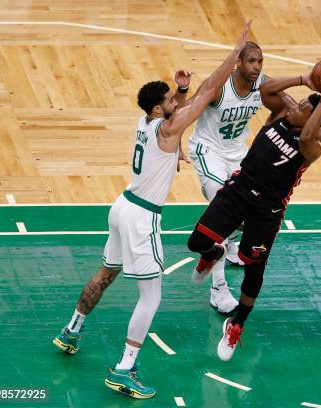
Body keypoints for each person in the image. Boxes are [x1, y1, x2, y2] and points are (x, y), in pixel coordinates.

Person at [52, 21, 252, 398]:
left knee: (105, 273)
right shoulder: (168, 127)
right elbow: (210, 89)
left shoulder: (144, 121)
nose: (177, 103)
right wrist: (235, 52)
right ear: (160, 108)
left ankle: (71, 330)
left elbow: (176, 114)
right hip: (143, 216)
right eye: (171, 100)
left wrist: (178, 90)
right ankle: (124, 368)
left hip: (121, 206)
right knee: (151, 297)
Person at [187, 42, 321, 316]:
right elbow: (188, 107)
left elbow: (301, 117)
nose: (257, 67)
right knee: (220, 207)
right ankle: (218, 286)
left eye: (261, 61)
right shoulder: (221, 86)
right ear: (238, 62)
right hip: (208, 150)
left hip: (239, 153)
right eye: (252, 61)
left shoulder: (264, 85)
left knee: (239, 220)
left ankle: (224, 246)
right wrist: (305, 79)